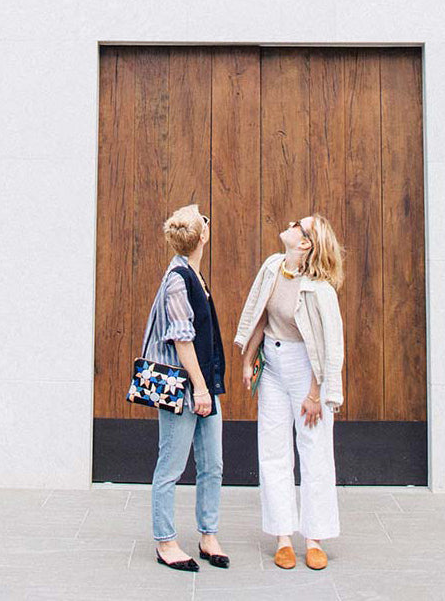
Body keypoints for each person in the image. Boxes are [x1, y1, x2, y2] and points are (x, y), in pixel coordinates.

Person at [234, 214, 345, 571]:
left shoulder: (320, 290)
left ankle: (314, 538)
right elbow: (259, 315)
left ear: (306, 243)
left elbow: (329, 346)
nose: (292, 225)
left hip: (305, 370)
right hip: (274, 362)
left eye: (300, 225)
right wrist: (249, 358)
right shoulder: (273, 266)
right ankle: (283, 536)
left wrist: (316, 394)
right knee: (273, 447)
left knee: (314, 449)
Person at [143, 204, 229, 572]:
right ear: (203, 236)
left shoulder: (194, 274)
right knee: (171, 466)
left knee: (213, 464)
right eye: (204, 219)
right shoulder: (178, 278)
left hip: (204, 383)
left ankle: (208, 535)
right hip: (186, 387)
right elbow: (181, 339)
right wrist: (199, 388)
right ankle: (165, 541)